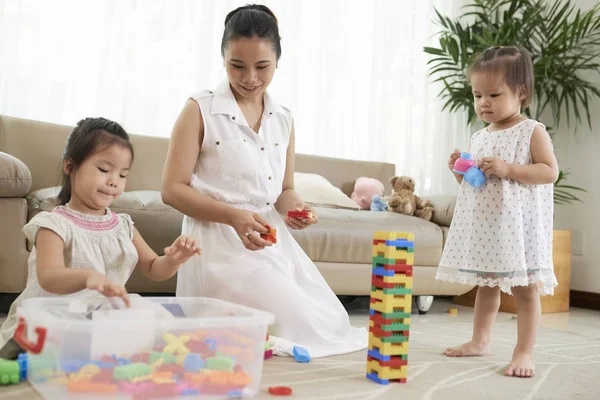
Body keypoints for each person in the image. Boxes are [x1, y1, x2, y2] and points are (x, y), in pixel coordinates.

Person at [161, 4, 367, 358]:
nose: (249, 78)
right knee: (297, 323)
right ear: (223, 57)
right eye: (237, 66)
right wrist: (234, 217)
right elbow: (171, 189)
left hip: (269, 237)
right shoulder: (199, 109)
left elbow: (283, 191)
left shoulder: (283, 118)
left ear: (277, 62)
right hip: (217, 241)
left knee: (330, 319)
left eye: (262, 67)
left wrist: (297, 210)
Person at [0, 117, 201, 359]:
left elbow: (153, 269)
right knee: (44, 355)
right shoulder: (53, 224)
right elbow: (49, 277)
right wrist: (88, 277)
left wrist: (174, 259)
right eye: (104, 170)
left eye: (123, 175)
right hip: (51, 318)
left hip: (95, 318)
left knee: (154, 325)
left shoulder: (123, 225)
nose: (114, 181)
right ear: (70, 166)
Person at [436, 46, 559, 377]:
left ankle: (523, 352)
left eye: (493, 94)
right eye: (477, 95)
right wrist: (459, 171)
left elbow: (549, 172)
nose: (483, 103)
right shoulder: (479, 136)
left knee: (525, 290)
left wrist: (509, 168)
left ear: (521, 92)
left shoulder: (530, 130)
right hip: (487, 225)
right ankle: (480, 340)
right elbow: (474, 184)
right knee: (486, 286)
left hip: (518, 228)